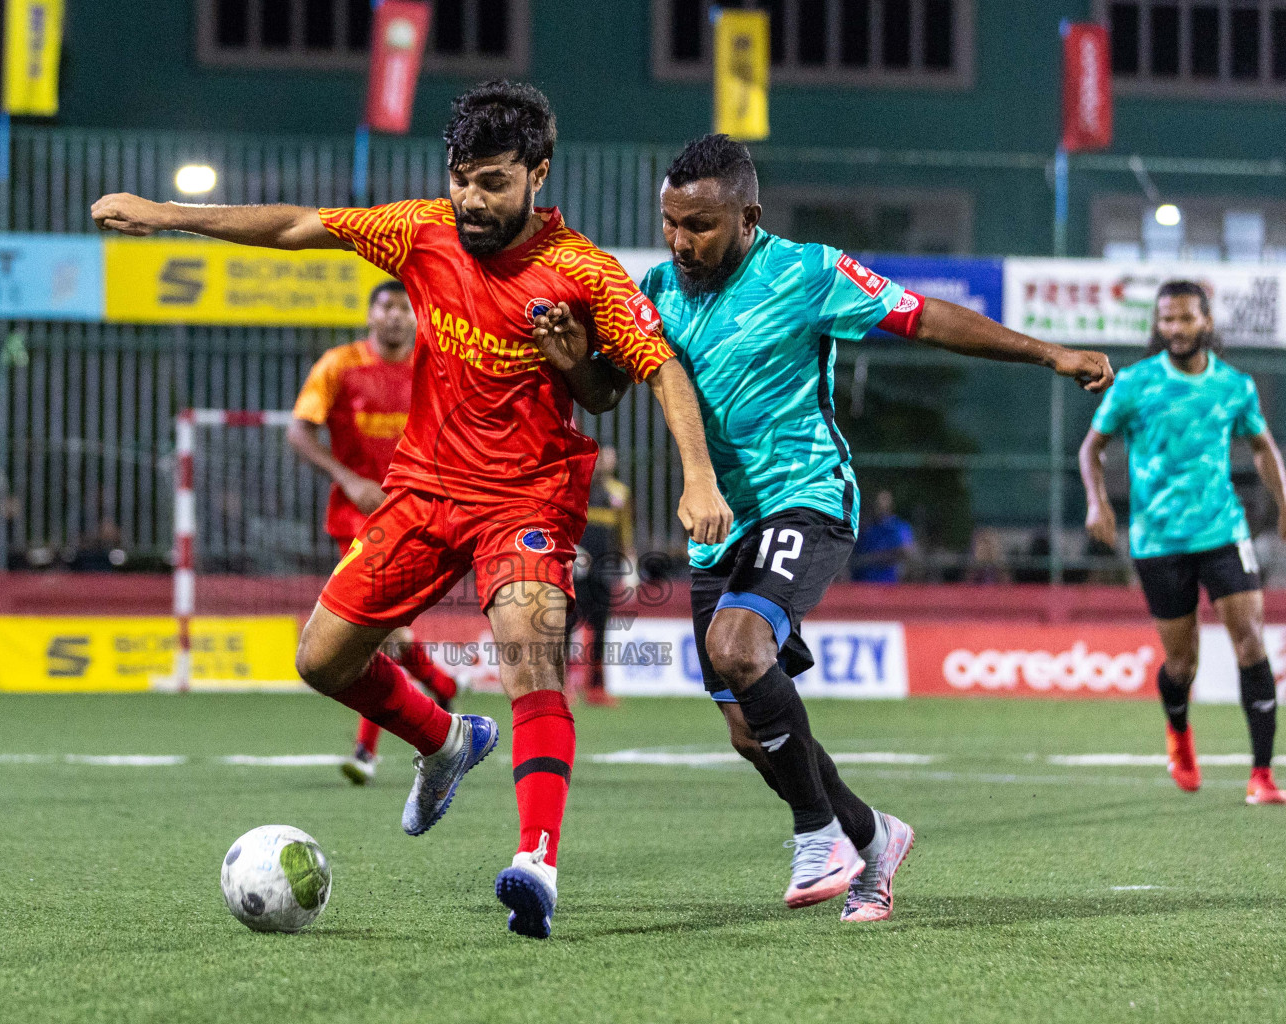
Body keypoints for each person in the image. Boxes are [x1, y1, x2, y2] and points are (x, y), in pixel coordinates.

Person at [93, 81, 731, 940]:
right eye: (462, 177)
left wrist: (699, 478)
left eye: (494, 182)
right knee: (321, 661)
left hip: (529, 497)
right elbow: (294, 227)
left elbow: (653, 368)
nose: (472, 199)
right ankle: (443, 742)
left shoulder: (584, 272)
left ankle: (536, 862)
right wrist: (168, 215)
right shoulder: (421, 228)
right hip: (424, 488)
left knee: (530, 659)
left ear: (538, 174)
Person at [640, 134, 1112, 922]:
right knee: (752, 736)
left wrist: (1048, 354)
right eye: (671, 223)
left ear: (748, 216)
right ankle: (873, 838)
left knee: (736, 648)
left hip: (807, 497)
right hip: (717, 528)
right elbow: (603, 383)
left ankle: (816, 833)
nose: (681, 243)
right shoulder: (656, 288)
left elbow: (922, 319)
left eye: (700, 226)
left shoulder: (810, 272)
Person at [1080, 279, 1286, 805]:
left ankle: (1261, 775)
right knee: (1181, 666)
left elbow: (1263, 448)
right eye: (1166, 320)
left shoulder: (1235, 386)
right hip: (1159, 540)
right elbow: (1092, 448)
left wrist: (1285, 507)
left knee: (1251, 642)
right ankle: (1179, 735)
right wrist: (1097, 502)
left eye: (1185, 318)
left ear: (1206, 321)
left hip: (1222, 531)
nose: (1175, 329)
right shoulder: (1134, 384)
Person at [286, 278, 461, 785]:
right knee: (377, 628)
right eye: (385, 306)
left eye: (405, 308)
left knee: (381, 631)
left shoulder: (434, 364)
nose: (395, 316)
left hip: (419, 513)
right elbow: (299, 431)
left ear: (417, 317)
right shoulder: (339, 365)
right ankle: (427, 692)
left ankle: (414, 707)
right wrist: (349, 479)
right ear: (369, 316)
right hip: (358, 517)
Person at [573, 445, 633, 707]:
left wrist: (631, 564)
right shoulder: (578, 488)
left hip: (604, 570)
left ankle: (596, 688)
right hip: (577, 567)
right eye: (602, 457)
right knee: (565, 626)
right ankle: (562, 686)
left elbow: (625, 532)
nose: (606, 462)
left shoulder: (619, 493)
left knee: (600, 630)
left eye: (610, 457)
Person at [849, 489, 914, 583]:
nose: (880, 506)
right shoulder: (867, 527)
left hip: (889, 583)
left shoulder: (900, 527)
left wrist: (875, 558)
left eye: (884, 502)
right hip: (863, 582)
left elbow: (906, 551)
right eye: (878, 502)